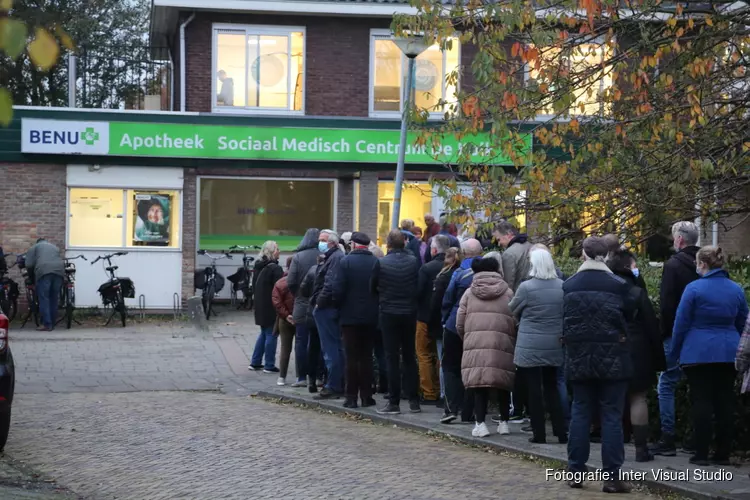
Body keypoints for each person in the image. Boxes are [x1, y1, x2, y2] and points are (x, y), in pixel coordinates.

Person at [563, 236, 633, 493]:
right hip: (613, 358)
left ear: (583, 254)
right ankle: (612, 477)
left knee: (580, 412)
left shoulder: (569, 285)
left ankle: (575, 472)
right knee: (611, 416)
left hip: (579, 357)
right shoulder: (618, 285)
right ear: (607, 256)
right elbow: (629, 316)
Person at [668, 246, 748, 466]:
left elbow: (681, 324)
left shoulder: (694, 289)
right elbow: (743, 323)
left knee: (701, 402)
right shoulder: (736, 289)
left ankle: (700, 453)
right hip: (728, 351)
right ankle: (723, 452)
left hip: (698, 351)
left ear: (702, 264)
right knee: (725, 402)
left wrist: (673, 353)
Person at [607, 248, 666, 461]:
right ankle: (641, 449)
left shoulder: (606, 291)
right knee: (638, 397)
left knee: (612, 400)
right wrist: (659, 358)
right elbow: (652, 326)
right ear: (627, 267)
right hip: (637, 350)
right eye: (634, 265)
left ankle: (614, 449)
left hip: (611, 349)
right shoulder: (637, 293)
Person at [509, 247, 567, 444]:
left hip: (530, 344)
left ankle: (539, 434)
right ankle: (561, 431)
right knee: (552, 388)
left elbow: (512, 308)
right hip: (553, 342)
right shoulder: (562, 286)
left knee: (533, 391)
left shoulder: (527, 287)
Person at [653, 221, 700, 456]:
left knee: (667, 384)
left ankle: (667, 437)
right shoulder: (706, 263)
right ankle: (695, 438)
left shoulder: (673, 265)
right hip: (700, 335)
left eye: (674, 238)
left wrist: (663, 334)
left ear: (680, 240)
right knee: (697, 387)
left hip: (675, 334)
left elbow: (668, 303)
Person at [456, 256, 516, 438]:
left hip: (476, 343)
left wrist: (467, 337)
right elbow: (515, 319)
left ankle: (480, 424)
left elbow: (459, 321)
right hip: (502, 343)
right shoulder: (508, 292)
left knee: (479, 384)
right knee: (503, 382)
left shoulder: (469, 293)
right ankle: (504, 423)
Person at [371, 229, 421, 415]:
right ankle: (414, 401)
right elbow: (418, 285)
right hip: (409, 312)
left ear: (388, 244)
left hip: (388, 312)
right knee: (409, 356)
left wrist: (383, 297)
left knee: (392, 357)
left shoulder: (381, 263)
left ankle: (394, 402)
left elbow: (372, 286)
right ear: (404, 243)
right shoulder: (414, 262)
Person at [332, 232, 379, 409]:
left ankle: (351, 397)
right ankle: (367, 396)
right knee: (366, 357)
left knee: (351, 357)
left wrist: (339, 308)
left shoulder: (345, 262)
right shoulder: (375, 262)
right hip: (370, 317)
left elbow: (337, 290)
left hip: (349, 318)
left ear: (353, 244)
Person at [493, 221, 532, 424]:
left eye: (499, 239)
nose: (499, 243)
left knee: (516, 363)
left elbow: (508, 286)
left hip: (518, 311)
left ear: (508, 234)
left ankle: (516, 408)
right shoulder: (531, 247)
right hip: (535, 311)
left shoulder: (509, 254)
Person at [441, 238, 484, 424]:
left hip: (454, 325)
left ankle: (451, 408)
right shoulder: (489, 274)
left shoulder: (458, 274)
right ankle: (469, 412)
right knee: (473, 369)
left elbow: (448, 299)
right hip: (478, 327)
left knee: (451, 367)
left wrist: (445, 319)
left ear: (463, 253)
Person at [312, 230, 345, 399]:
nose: (320, 243)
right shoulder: (331, 257)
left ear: (332, 242)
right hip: (328, 307)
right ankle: (336, 383)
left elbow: (330, 284)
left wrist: (319, 303)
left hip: (327, 308)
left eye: (323, 240)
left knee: (331, 348)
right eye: (319, 240)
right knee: (335, 347)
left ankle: (333, 385)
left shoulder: (335, 258)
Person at [416, 234, 449, 405]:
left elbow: (418, 292)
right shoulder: (453, 268)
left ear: (434, 249)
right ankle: (443, 391)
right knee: (441, 355)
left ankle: (429, 392)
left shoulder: (427, 268)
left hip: (424, 317)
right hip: (444, 317)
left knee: (424, 354)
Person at [287, 228, 321, 388]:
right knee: (318, 341)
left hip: (301, 305)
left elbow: (291, 282)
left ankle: (301, 377)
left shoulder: (298, 257)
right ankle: (318, 376)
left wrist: (299, 295)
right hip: (319, 304)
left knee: (301, 341)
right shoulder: (322, 256)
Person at [430, 247, 461, 421]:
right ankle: (464, 402)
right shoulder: (466, 275)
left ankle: (446, 398)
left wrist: (439, 321)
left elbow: (440, 303)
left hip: (447, 325)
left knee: (446, 362)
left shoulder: (445, 276)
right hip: (463, 326)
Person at [249, 241, 284, 373]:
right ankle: (269, 364)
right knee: (272, 334)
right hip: (271, 305)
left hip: (260, 304)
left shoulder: (258, 265)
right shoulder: (275, 269)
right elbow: (279, 289)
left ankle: (255, 362)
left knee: (264, 333)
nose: (279, 251)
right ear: (273, 251)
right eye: (278, 249)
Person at [24, 238, 65, 332]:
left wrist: (32, 278)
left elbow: (29, 265)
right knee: (54, 298)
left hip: (44, 272)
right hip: (59, 272)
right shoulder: (54, 247)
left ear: (37, 242)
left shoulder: (34, 247)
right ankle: (52, 323)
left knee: (44, 298)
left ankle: (46, 324)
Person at [271, 256, 297, 386]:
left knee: (285, 348)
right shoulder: (301, 280)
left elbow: (277, 302)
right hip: (299, 318)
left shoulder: (280, 282)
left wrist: (286, 315)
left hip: (284, 320)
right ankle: (300, 376)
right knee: (300, 347)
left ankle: (282, 377)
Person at [298, 258, 322, 393]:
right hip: (327, 314)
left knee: (313, 347)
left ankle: (311, 380)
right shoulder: (332, 269)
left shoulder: (313, 270)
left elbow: (303, 290)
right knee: (326, 348)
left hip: (312, 312)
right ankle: (321, 377)